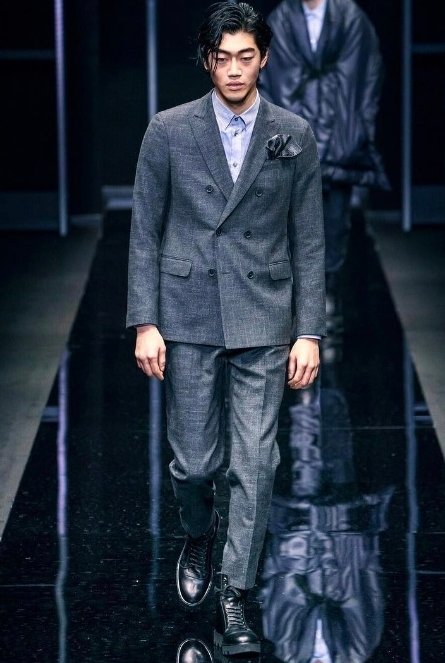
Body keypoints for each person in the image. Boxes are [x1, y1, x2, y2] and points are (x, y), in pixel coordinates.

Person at [127, 1, 326, 656]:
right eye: (222, 57)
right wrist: (145, 320)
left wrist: (308, 331)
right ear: (206, 60)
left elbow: (308, 240)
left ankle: (235, 591)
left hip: (264, 313)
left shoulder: (293, 133)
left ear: (263, 58)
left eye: (246, 56)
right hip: (186, 310)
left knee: (256, 461)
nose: (234, 69)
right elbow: (145, 230)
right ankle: (198, 530)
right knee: (194, 462)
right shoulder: (168, 130)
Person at [259, 0, 389, 296]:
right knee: (292, 220)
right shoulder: (283, 18)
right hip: (297, 137)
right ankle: (299, 297)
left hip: (341, 134)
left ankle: (329, 293)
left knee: (335, 220)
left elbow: (368, 73)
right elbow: (270, 77)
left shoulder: (349, 16)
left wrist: (360, 125)